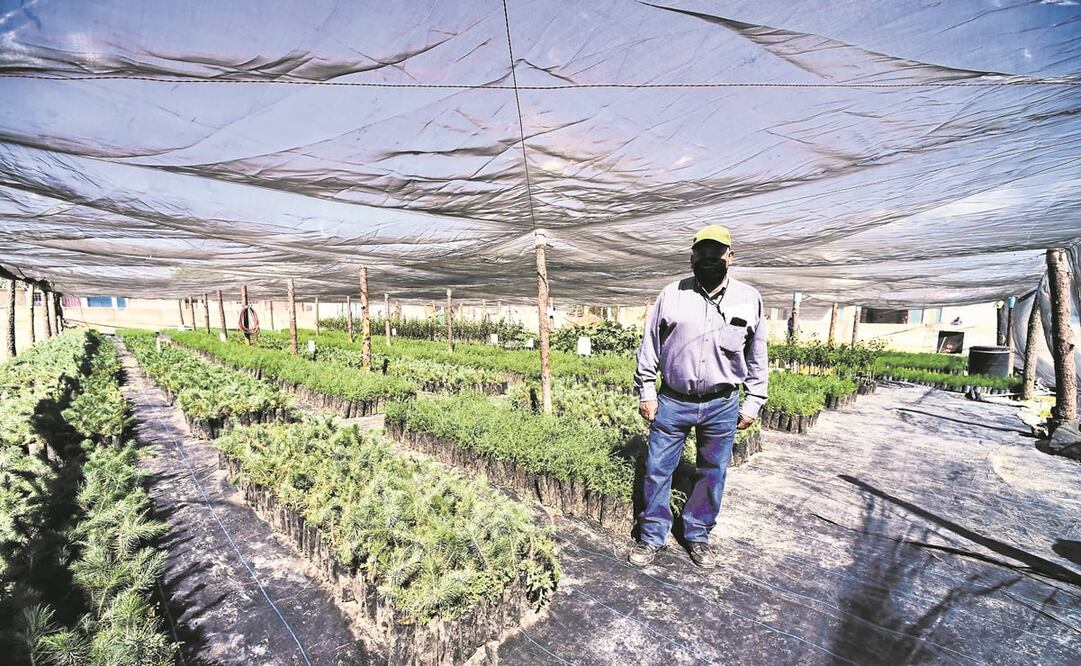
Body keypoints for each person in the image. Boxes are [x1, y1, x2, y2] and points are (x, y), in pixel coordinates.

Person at [630, 225, 768, 568]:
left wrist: (753, 401)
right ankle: (652, 536)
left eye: (716, 253)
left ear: (730, 257)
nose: (709, 259)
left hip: (722, 402)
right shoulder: (672, 294)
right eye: (702, 253)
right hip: (673, 400)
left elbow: (757, 354)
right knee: (658, 469)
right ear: (692, 256)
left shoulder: (749, 298)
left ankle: (698, 534)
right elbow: (650, 346)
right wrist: (647, 391)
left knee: (713, 471)